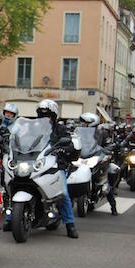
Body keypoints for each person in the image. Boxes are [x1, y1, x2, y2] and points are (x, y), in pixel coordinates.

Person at [36, 99, 79, 238]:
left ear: (53, 116)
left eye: (47, 116)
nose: (44, 119)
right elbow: (23, 139)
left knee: (63, 193)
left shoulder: (60, 129)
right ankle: (11, 218)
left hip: (55, 165)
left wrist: (62, 149)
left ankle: (70, 224)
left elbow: (69, 144)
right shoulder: (33, 128)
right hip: (36, 164)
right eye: (42, 116)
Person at [79, 112, 118, 215]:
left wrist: (107, 150)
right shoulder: (80, 133)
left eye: (85, 123)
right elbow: (75, 142)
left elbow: (109, 144)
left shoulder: (102, 133)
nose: (83, 124)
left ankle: (113, 206)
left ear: (92, 123)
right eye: (83, 123)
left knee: (104, 181)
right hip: (84, 158)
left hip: (97, 158)